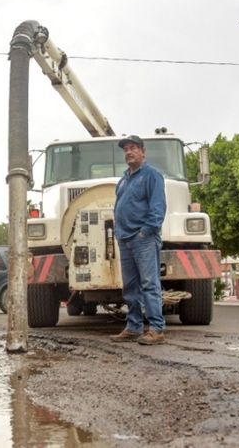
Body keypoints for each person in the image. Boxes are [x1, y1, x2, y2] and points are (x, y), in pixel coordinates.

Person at [109, 135, 167, 345]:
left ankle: (156, 329)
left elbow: (158, 208)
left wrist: (145, 232)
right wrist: (119, 232)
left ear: (143, 152)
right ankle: (134, 327)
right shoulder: (123, 180)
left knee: (149, 284)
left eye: (133, 148)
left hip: (143, 239)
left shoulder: (152, 175)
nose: (129, 152)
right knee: (130, 287)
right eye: (126, 149)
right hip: (125, 239)